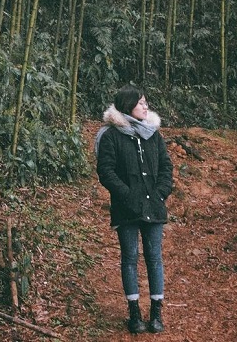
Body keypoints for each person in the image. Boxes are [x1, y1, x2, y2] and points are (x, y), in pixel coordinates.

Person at [95, 84, 174, 334]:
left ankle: (156, 313)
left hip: (153, 204)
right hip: (127, 207)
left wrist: (160, 193)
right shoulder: (111, 136)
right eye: (141, 102)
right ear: (128, 104)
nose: (145, 106)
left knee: (154, 258)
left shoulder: (153, 134)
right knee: (129, 258)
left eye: (145, 102)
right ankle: (134, 314)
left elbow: (166, 168)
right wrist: (127, 195)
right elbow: (106, 172)